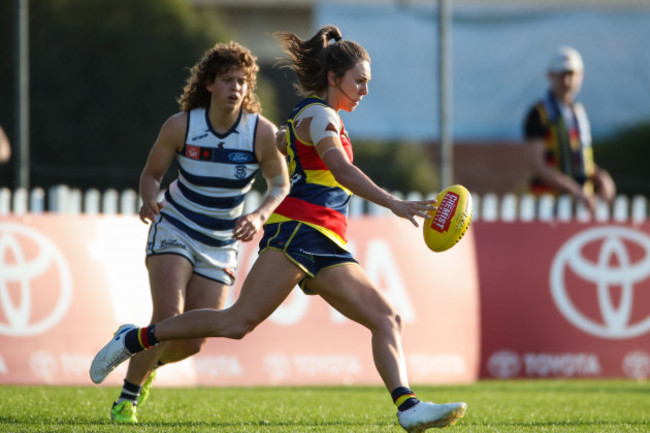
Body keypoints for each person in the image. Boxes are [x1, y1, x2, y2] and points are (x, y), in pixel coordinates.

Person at [91, 25, 467, 432]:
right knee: (237, 323)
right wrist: (393, 202)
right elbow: (339, 168)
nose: (364, 90)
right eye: (359, 81)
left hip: (325, 239)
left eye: (367, 82)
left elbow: (289, 152)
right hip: (299, 232)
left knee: (387, 317)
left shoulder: (317, 118)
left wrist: (284, 144)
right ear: (333, 78)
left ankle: (407, 407)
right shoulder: (319, 115)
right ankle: (135, 340)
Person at [105, 41, 290, 424]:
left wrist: (258, 215)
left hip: (221, 242)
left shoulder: (260, 133)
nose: (235, 88)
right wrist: (148, 197)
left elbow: (280, 184)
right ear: (209, 84)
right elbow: (152, 174)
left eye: (242, 81)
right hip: (175, 226)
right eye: (227, 79)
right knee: (169, 315)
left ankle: (137, 343)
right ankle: (127, 398)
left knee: (191, 341)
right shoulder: (182, 125)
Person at [523, 46, 615, 213]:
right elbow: (536, 163)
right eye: (562, 75)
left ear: (581, 76)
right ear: (551, 76)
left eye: (572, 75)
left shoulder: (578, 113)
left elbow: (579, 158)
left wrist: (600, 176)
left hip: (578, 203)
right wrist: (574, 190)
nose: (567, 81)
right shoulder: (539, 113)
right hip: (547, 204)